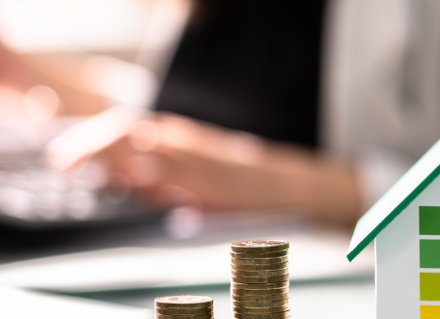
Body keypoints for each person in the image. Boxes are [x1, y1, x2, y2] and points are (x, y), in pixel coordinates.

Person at [12, 1, 440, 225]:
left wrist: (245, 173)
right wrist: (21, 71)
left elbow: (425, 190)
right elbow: (173, 115)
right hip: (181, 254)